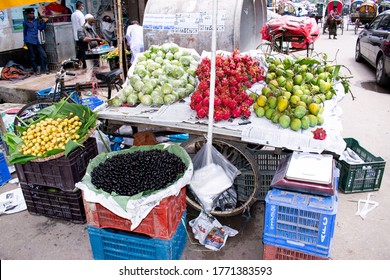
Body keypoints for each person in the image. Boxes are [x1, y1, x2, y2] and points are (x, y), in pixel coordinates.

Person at [77, 14, 105, 81]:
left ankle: (97, 81)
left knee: (97, 67)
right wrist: (96, 39)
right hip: (87, 51)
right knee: (90, 68)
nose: (92, 23)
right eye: (91, 22)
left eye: (93, 22)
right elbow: (84, 39)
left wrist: (100, 40)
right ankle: (88, 81)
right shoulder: (80, 29)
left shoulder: (91, 29)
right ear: (86, 21)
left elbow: (96, 36)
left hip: (95, 51)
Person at [23, 8, 49, 76]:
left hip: (36, 40)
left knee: (43, 55)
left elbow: (40, 28)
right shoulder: (25, 22)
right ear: (28, 14)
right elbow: (24, 32)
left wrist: (44, 22)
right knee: (32, 57)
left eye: (33, 13)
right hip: (29, 41)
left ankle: (43, 70)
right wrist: (25, 42)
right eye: (31, 13)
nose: (32, 15)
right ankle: (36, 70)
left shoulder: (36, 21)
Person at [71, 1, 86, 69]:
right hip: (81, 35)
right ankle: (85, 64)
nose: (82, 7)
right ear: (80, 6)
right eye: (82, 6)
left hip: (75, 35)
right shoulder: (81, 15)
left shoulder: (73, 14)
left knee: (80, 49)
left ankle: (77, 61)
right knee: (83, 50)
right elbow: (83, 25)